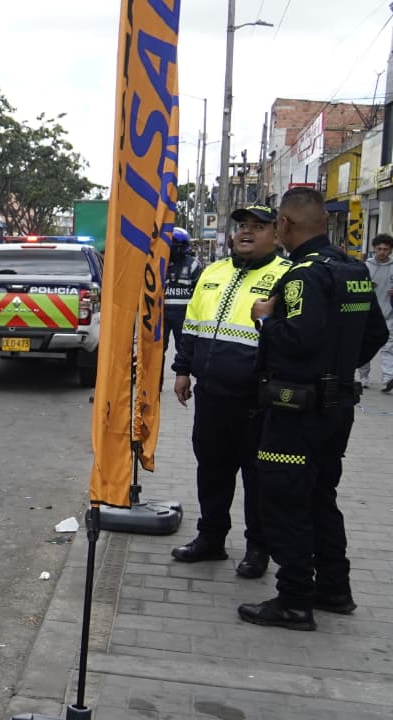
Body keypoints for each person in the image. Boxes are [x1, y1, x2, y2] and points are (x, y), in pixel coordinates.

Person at [242, 187, 389, 631]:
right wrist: (338, 367)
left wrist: (265, 317)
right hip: (338, 406)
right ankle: (334, 589)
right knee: (322, 496)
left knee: (285, 500)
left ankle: (294, 600)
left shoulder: (303, 275)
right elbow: (376, 335)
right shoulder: (353, 268)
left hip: (295, 411)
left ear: (285, 225)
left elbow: (298, 339)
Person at [170, 204, 292, 579]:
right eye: (242, 225)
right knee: (212, 470)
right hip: (211, 394)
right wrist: (182, 370)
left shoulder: (286, 276)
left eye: (258, 226)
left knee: (258, 478)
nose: (247, 232)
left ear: (276, 233)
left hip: (257, 398)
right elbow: (192, 325)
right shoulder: (213, 272)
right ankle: (211, 539)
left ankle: (258, 548)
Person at [357, 233, 393, 391]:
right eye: (379, 249)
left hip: (389, 313)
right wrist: (365, 287)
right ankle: (363, 377)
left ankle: (388, 378)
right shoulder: (364, 267)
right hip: (367, 314)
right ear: (374, 249)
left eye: (386, 249)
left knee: (388, 347)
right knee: (366, 344)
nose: (382, 252)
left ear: (390, 250)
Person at [163, 227, 203, 352]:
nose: (171, 249)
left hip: (184, 315)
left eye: (174, 246)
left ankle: (182, 371)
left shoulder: (193, 265)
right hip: (162, 314)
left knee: (184, 349)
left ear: (183, 247)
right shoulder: (160, 263)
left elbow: (200, 294)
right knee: (157, 350)